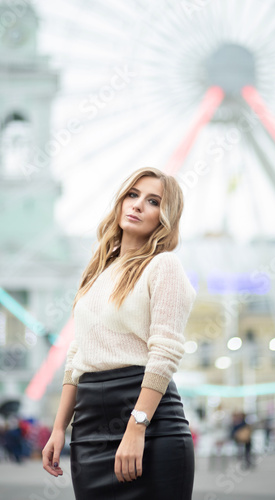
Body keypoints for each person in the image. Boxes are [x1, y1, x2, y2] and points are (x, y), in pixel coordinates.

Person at [42, 167, 197, 499]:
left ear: (164, 218)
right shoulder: (97, 274)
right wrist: (58, 428)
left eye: (153, 201)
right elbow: (77, 356)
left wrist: (136, 427)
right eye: (133, 194)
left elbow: (165, 351)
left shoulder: (163, 266)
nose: (138, 205)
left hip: (151, 426)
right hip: (89, 430)